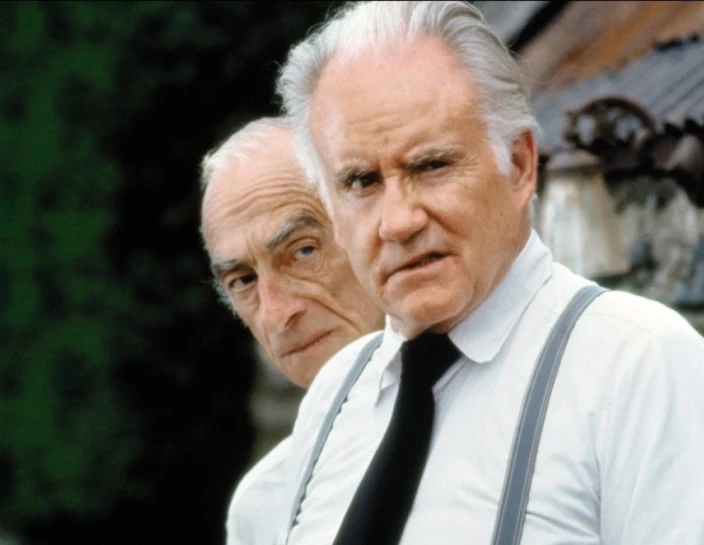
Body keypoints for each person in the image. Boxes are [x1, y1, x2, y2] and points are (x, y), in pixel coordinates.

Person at [273, 2, 704, 544]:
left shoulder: (638, 364)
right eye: (361, 182)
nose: (399, 222)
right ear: (331, 214)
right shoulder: (336, 395)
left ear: (520, 165)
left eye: (432, 165)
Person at [198, 117, 384, 545]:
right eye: (243, 280)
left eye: (302, 251)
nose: (276, 315)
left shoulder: (512, 409)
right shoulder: (261, 506)